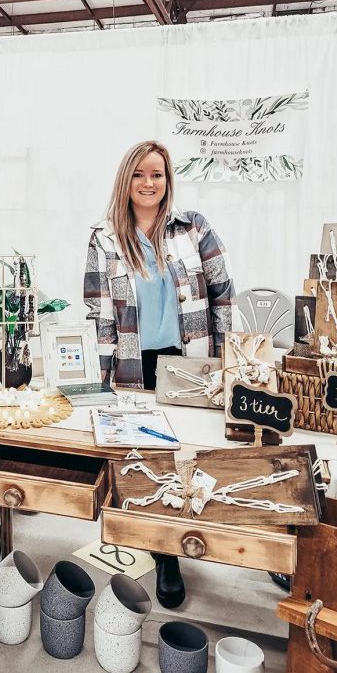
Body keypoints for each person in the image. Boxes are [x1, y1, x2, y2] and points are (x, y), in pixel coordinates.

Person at [84, 140, 239, 608]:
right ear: (126, 180)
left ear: (168, 180)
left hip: (187, 360)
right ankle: (158, 547)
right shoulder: (105, 236)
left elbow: (223, 295)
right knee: (145, 456)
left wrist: (224, 361)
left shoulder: (194, 229)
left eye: (157, 175)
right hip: (132, 366)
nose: (149, 183)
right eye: (139, 174)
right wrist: (103, 375)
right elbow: (98, 312)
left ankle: (178, 546)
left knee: (183, 455)